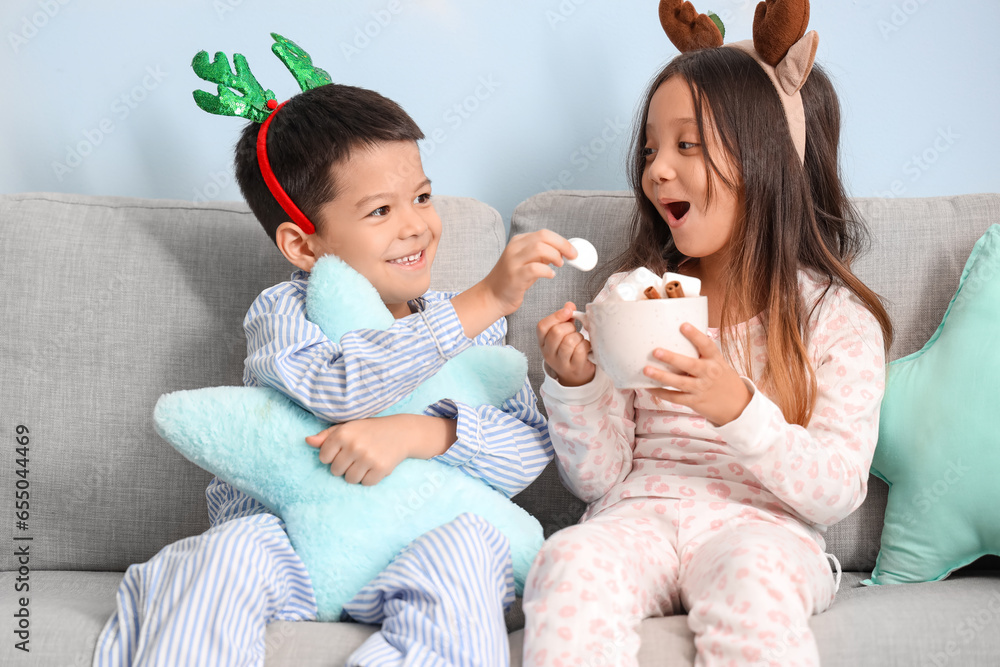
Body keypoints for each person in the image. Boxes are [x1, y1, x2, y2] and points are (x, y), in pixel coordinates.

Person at [94, 81, 578, 666]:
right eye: (380, 210)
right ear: (303, 244)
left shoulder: (476, 331)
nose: (416, 225)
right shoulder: (286, 312)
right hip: (292, 544)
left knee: (472, 553)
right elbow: (339, 390)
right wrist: (483, 301)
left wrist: (420, 434)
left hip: (420, 541)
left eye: (422, 197)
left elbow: (527, 449)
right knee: (222, 559)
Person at [525, 43, 894, 667]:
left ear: (767, 157)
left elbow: (835, 490)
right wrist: (578, 386)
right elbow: (596, 478)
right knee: (567, 558)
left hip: (762, 529)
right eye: (649, 150)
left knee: (753, 577)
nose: (656, 171)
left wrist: (738, 407)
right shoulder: (632, 297)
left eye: (686, 145)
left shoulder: (834, 318)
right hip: (636, 516)